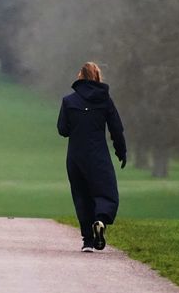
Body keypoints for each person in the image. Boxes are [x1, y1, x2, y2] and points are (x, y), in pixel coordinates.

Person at [57, 61, 127, 253]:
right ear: (98, 77)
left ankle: (88, 241)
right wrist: (121, 152)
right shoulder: (105, 101)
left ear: (80, 76)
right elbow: (116, 129)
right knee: (106, 192)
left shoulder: (69, 101)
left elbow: (62, 130)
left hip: (76, 156)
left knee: (81, 196)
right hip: (98, 155)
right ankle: (101, 220)